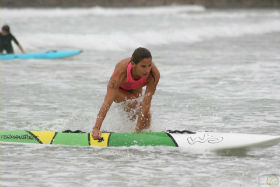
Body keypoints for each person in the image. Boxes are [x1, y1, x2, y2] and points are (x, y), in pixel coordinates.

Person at [92, 47, 160, 140]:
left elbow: (147, 103)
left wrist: (138, 131)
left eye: (149, 65)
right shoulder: (120, 73)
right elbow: (107, 103)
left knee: (145, 113)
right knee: (135, 104)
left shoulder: (154, 74)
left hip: (135, 88)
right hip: (119, 91)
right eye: (143, 66)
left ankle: (145, 133)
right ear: (133, 64)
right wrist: (96, 128)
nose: (147, 70)